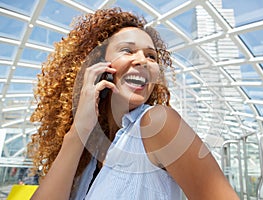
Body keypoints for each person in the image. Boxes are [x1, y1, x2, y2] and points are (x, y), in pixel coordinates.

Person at [27, 7, 239, 200]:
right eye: (127, 51)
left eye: (151, 56)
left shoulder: (157, 124)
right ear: (98, 66)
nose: (142, 60)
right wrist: (78, 132)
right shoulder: (87, 154)